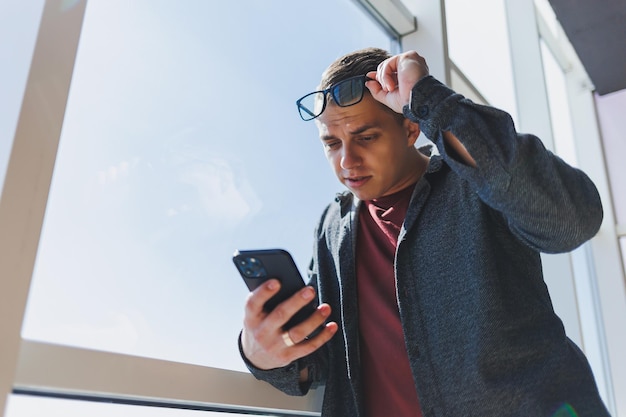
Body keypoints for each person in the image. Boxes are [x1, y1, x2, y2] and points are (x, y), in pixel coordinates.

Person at [238, 47, 611, 417]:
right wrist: (258, 352)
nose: (347, 161)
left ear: (411, 126)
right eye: (332, 144)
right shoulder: (332, 227)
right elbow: (319, 359)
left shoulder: (472, 178)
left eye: (366, 137)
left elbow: (573, 221)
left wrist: (430, 98)